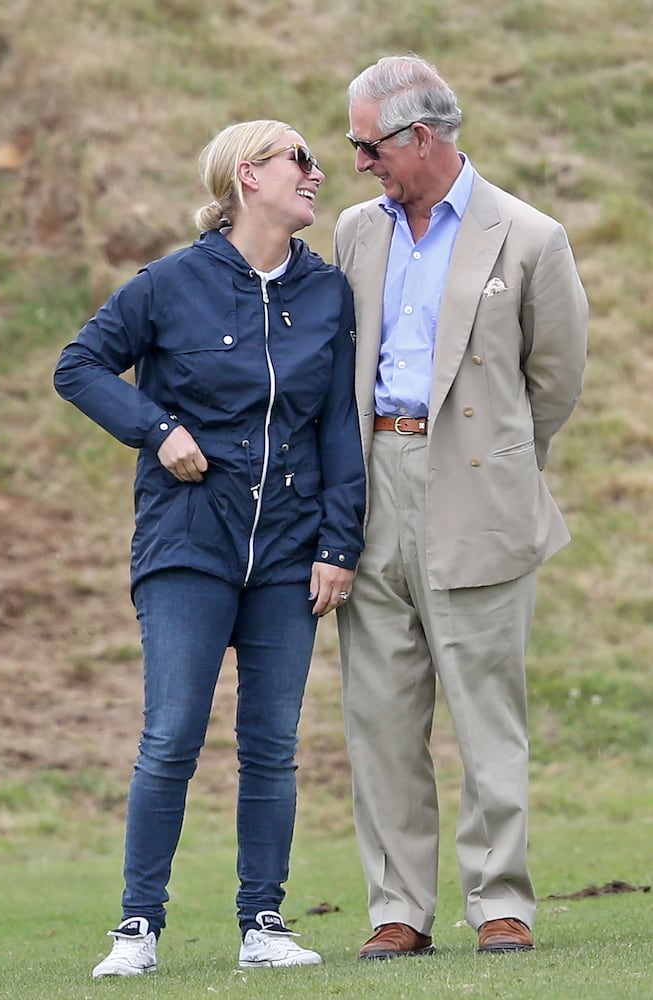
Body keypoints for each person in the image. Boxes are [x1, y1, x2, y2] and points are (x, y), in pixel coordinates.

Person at [54, 119, 365, 977]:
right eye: (299, 158)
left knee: (271, 743)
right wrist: (157, 431)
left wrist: (339, 542)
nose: (315, 172)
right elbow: (78, 366)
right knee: (174, 735)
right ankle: (137, 928)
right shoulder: (168, 283)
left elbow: (338, 423)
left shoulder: (328, 292)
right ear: (245, 175)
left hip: (292, 551)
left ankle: (263, 923)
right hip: (187, 542)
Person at [334, 54, 588, 959]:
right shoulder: (355, 232)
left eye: (369, 145)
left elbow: (553, 381)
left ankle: (500, 902)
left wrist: (504, 467)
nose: (359, 162)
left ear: (422, 138)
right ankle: (396, 909)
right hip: (370, 493)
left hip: (478, 491)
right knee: (379, 715)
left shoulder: (528, 236)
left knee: (487, 713)